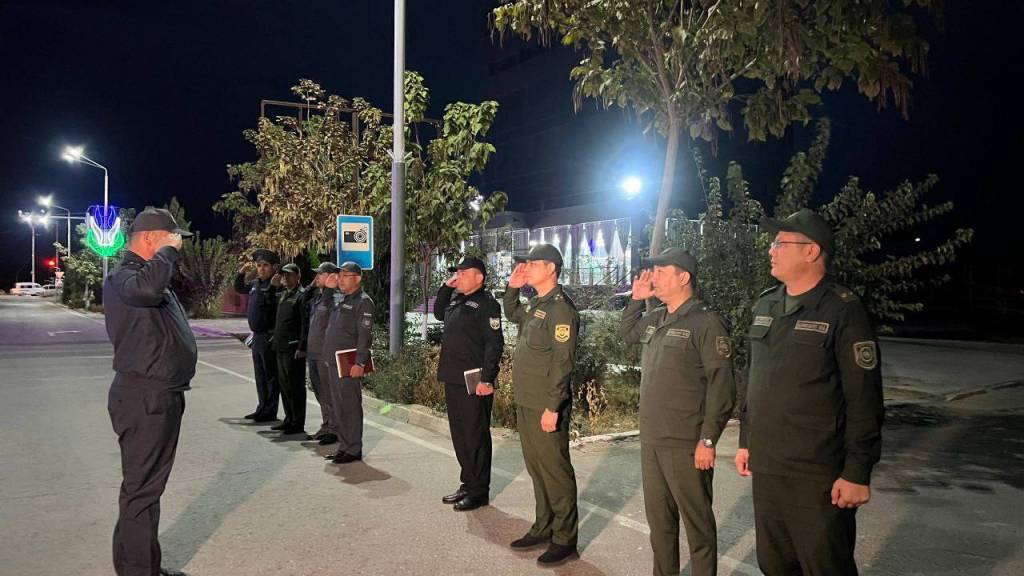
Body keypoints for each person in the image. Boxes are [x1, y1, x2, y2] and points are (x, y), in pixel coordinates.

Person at [735, 209, 884, 576]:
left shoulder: (842, 309)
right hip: (768, 464)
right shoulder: (766, 304)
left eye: (780, 243)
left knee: (824, 565)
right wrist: (746, 440)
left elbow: (864, 397)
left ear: (811, 251)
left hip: (816, 472)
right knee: (774, 564)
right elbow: (755, 380)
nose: (771, 250)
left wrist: (857, 471)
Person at [620, 248, 736, 576]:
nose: (653, 277)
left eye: (661, 272)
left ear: (683, 277)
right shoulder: (658, 317)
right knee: (660, 524)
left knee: (697, 525)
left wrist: (708, 439)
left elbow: (722, 386)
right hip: (653, 438)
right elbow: (627, 334)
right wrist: (636, 299)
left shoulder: (706, 322)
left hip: (686, 441)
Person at [103, 207, 196, 576]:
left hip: (158, 394)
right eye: (170, 238)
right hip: (146, 397)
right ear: (148, 239)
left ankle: (141, 566)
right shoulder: (125, 277)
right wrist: (166, 253)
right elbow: (145, 290)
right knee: (142, 492)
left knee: (144, 491)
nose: (176, 245)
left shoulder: (144, 277)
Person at [503, 243, 580, 567]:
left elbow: (563, 362)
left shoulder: (561, 310)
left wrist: (553, 406)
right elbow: (512, 313)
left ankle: (565, 539)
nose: (527, 268)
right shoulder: (537, 304)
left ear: (551, 268)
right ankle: (543, 526)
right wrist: (512, 287)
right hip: (528, 400)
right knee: (537, 469)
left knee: (555, 472)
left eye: (533, 264)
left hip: (546, 405)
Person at [434, 255, 504, 511]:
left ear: (479, 277)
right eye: (458, 273)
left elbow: (494, 344)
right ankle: (468, 482)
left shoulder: (487, 305)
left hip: (475, 380)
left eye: (464, 273)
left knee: (475, 435)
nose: (459, 277)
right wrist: (446, 287)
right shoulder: (457, 300)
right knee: (461, 435)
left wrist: (487, 379)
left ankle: (479, 491)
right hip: (453, 377)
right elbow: (438, 313)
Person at [321, 261, 374, 463]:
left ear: (357, 278)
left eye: (345, 276)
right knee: (339, 406)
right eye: (339, 276)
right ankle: (344, 446)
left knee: (350, 406)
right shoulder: (342, 299)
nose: (340, 279)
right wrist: (329, 288)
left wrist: (359, 363)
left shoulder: (363, 302)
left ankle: (353, 449)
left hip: (348, 362)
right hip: (334, 361)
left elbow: (364, 336)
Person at [234, 249, 280, 422]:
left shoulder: (276, 284)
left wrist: (273, 288)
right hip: (257, 337)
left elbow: (274, 307)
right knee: (260, 376)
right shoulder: (256, 283)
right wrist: (241, 273)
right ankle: (262, 407)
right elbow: (239, 288)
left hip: (269, 335)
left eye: (265, 265)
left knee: (270, 377)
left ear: (274, 267)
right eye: (259, 265)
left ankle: (270, 411)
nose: (261, 269)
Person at [303, 262, 338, 444]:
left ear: (331, 277)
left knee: (329, 392)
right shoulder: (318, 297)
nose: (317, 277)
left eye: (320, 274)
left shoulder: (335, 298)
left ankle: (334, 430)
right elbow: (302, 300)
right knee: (319, 392)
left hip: (325, 354)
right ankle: (326, 426)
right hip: (313, 352)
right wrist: (312, 286)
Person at [271, 262, 308, 436]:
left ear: (297, 276)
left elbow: (304, 324)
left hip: (293, 347)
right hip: (281, 346)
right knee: (284, 385)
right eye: (283, 275)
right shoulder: (284, 294)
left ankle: (297, 423)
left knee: (295, 386)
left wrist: (302, 346)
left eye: (289, 275)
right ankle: (288, 419)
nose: (285, 277)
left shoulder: (301, 296)